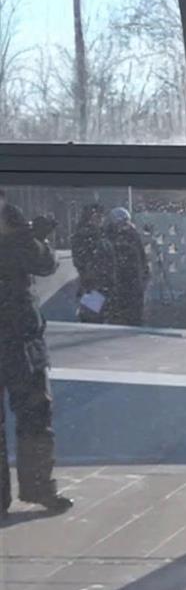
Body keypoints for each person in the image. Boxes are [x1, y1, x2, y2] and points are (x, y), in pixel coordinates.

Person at [0, 189, 74, 517]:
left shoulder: (14, 221)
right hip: (18, 334)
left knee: (36, 415)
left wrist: (29, 237)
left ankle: (39, 487)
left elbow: (44, 263)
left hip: (22, 338)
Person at [102, 207, 150, 326]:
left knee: (129, 312)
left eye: (125, 222)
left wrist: (145, 272)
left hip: (130, 280)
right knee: (123, 312)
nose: (124, 225)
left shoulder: (130, 235)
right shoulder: (113, 237)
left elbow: (141, 256)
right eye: (122, 222)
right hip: (123, 281)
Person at [71, 203, 112, 324]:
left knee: (97, 316)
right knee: (93, 319)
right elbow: (82, 259)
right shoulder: (88, 235)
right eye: (99, 216)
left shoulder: (97, 233)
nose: (102, 220)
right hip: (94, 283)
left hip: (99, 282)